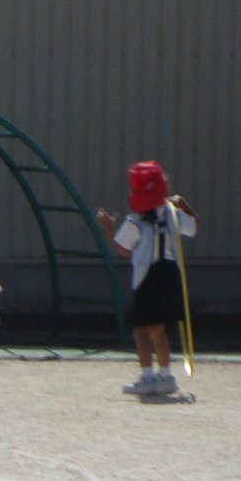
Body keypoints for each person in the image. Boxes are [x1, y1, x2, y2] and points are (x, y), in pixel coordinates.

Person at [97, 161, 198, 396]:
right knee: (158, 330)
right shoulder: (173, 214)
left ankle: (147, 376)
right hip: (171, 274)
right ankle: (165, 376)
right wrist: (184, 204)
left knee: (141, 330)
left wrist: (109, 228)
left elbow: (123, 249)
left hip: (147, 277)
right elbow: (194, 227)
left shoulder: (136, 220)